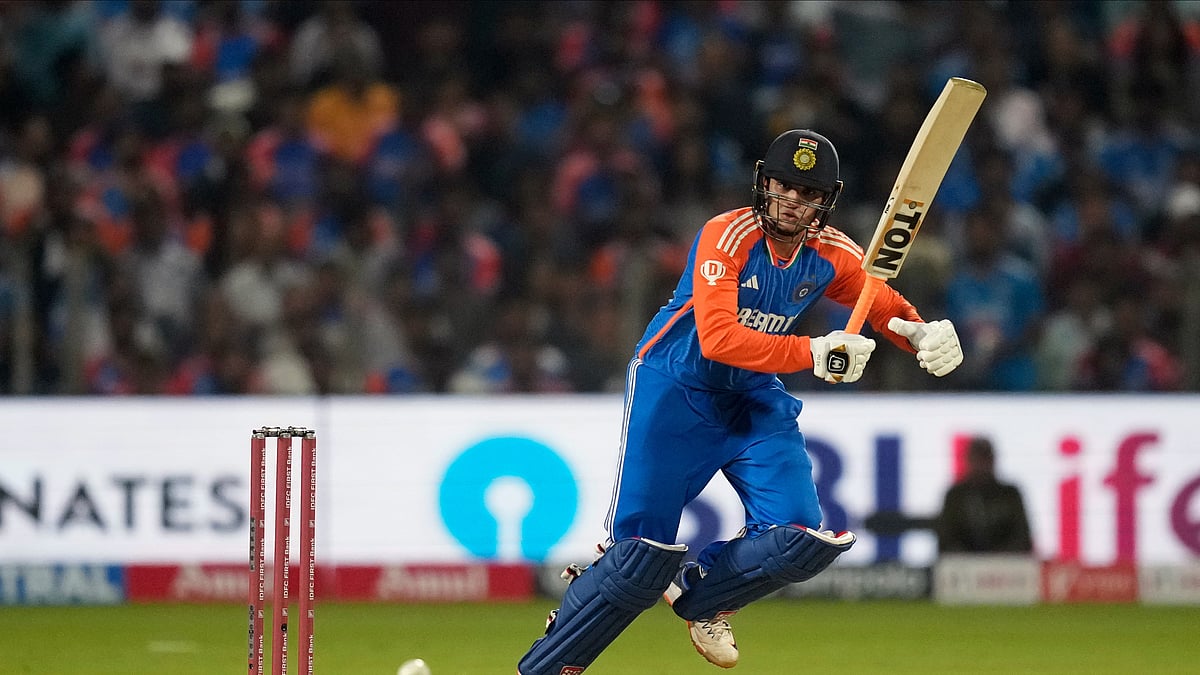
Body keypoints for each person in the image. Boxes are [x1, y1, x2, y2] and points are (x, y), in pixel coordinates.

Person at [517, 130, 964, 674]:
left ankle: (706, 600)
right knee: (638, 561)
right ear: (764, 182)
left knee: (801, 539)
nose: (793, 201)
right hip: (676, 387)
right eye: (784, 186)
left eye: (808, 192)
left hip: (751, 396)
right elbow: (718, 338)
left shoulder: (833, 252)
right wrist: (812, 351)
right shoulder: (726, 236)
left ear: (826, 200)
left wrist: (918, 333)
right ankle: (546, 663)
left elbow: (881, 303)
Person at [936, 436, 1032, 554]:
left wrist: (997, 558)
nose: (981, 465)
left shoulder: (1010, 494)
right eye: (977, 459)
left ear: (993, 461)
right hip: (963, 565)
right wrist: (971, 559)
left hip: (1005, 564)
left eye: (985, 459)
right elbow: (945, 539)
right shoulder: (955, 496)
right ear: (969, 461)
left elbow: (1023, 537)